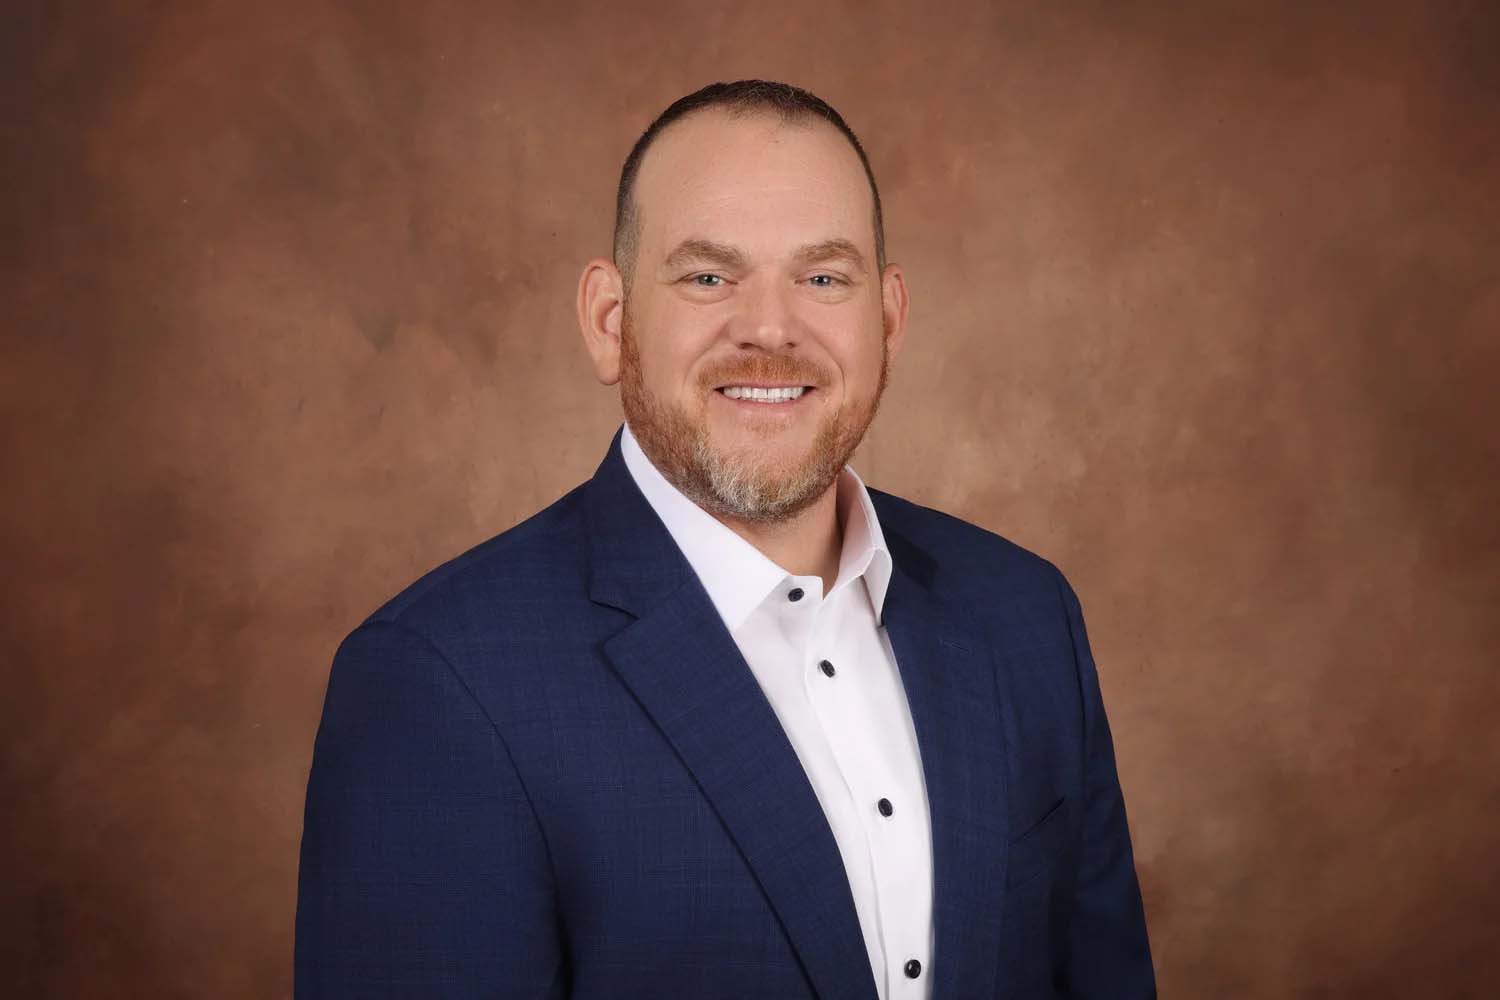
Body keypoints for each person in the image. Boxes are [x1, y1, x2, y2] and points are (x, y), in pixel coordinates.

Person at [294, 79, 1155, 999]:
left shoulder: (1026, 617)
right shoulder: (437, 683)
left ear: (889, 321)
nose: (770, 329)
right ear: (609, 321)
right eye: (708, 276)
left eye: (823, 278)